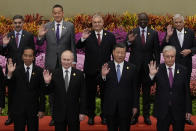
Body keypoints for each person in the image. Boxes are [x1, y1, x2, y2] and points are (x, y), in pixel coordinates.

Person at [37, 4, 77, 126]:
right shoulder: (47, 26)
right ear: (52, 14)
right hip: (51, 64)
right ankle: (55, 117)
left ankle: (68, 115)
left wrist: (74, 61)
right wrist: (40, 35)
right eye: (55, 13)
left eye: (59, 12)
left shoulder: (70, 26)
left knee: (67, 90)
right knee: (53, 91)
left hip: (65, 63)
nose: (57, 15)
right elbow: (39, 43)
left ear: (62, 13)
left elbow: (72, 45)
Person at [76, 14, 116, 125]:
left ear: (103, 23)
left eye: (99, 22)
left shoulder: (110, 36)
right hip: (90, 71)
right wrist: (83, 38)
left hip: (105, 71)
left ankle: (104, 116)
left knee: (105, 95)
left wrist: (112, 67)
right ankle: (91, 116)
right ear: (92, 24)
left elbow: (114, 53)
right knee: (90, 95)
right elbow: (78, 46)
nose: (97, 24)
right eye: (95, 22)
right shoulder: (88, 35)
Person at [125, 12, 160, 125]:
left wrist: (156, 66)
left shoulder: (153, 33)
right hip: (134, 68)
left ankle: (146, 116)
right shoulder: (132, 32)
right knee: (134, 93)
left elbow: (156, 51)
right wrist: (129, 41)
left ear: (148, 21)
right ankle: (134, 116)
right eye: (141, 20)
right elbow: (124, 47)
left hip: (148, 69)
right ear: (138, 21)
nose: (143, 22)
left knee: (146, 93)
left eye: (145, 20)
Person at [161, 14, 196, 125]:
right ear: (173, 23)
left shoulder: (190, 33)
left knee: (185, 91)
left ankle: (187, 115)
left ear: (184, 22)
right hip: (172, 67)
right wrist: (167, 37)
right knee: (172, 90)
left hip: (186, 67)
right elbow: (163, 47)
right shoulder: (170, 33)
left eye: (180, 22)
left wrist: (189, 51)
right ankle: (170, 115)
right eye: (176, 22)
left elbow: (195, 47)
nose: (178, 24)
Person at [1, 15, 35, 125]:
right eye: (15, 22)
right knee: (11, 93)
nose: (17, 24)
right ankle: (10, 116)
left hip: (25, 68)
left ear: (23, 23)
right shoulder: (8, 36)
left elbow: (33, 52)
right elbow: (2, 52)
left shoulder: (29, 35)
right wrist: (4, 45)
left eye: (19, 22)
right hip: (12, 69)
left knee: (25, 93)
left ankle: (25, 116)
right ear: (12, 23)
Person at [148, 45, 192, 131]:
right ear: (163, 56)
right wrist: (152, 75)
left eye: (172, 56)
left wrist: (188, 110)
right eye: (167, 56)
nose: (170, 59)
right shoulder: (158, 69)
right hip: (162, 111)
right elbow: (149, 84)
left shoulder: (183, 70)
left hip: (179, 111)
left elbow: (187, 91)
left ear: (175, 56)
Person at [43, 50, 86, 131]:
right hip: (59, 114)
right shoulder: (54, 73)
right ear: (60, 59)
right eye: (64, 59)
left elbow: (83, 95)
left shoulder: (79, 74)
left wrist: (82, 112)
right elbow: (47, 91)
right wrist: (47, 83)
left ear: (72, 60)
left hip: (74, 114)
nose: (66, 62)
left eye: (68, 60)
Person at [6, 46, 45, 131]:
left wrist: (42, 109)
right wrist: (9, 74)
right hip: (18, 110)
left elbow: (42, 92)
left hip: (33, 110)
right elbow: (10, 88)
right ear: (22, 56)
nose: (27, 58)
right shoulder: (15, 70)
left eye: (30, 56)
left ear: (33, 57)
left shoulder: (39, 71)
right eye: (25, 55)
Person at [101, 43, 138, 131]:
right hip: (110, 107)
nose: (120, 55)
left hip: (126, 108)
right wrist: (103, 76)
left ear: (125, 54)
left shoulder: (132, 68)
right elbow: (100, 85)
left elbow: (135, 89)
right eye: (118, 52)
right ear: (113, 52)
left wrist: (135, 106)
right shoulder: (106, 66)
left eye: (122, 53)